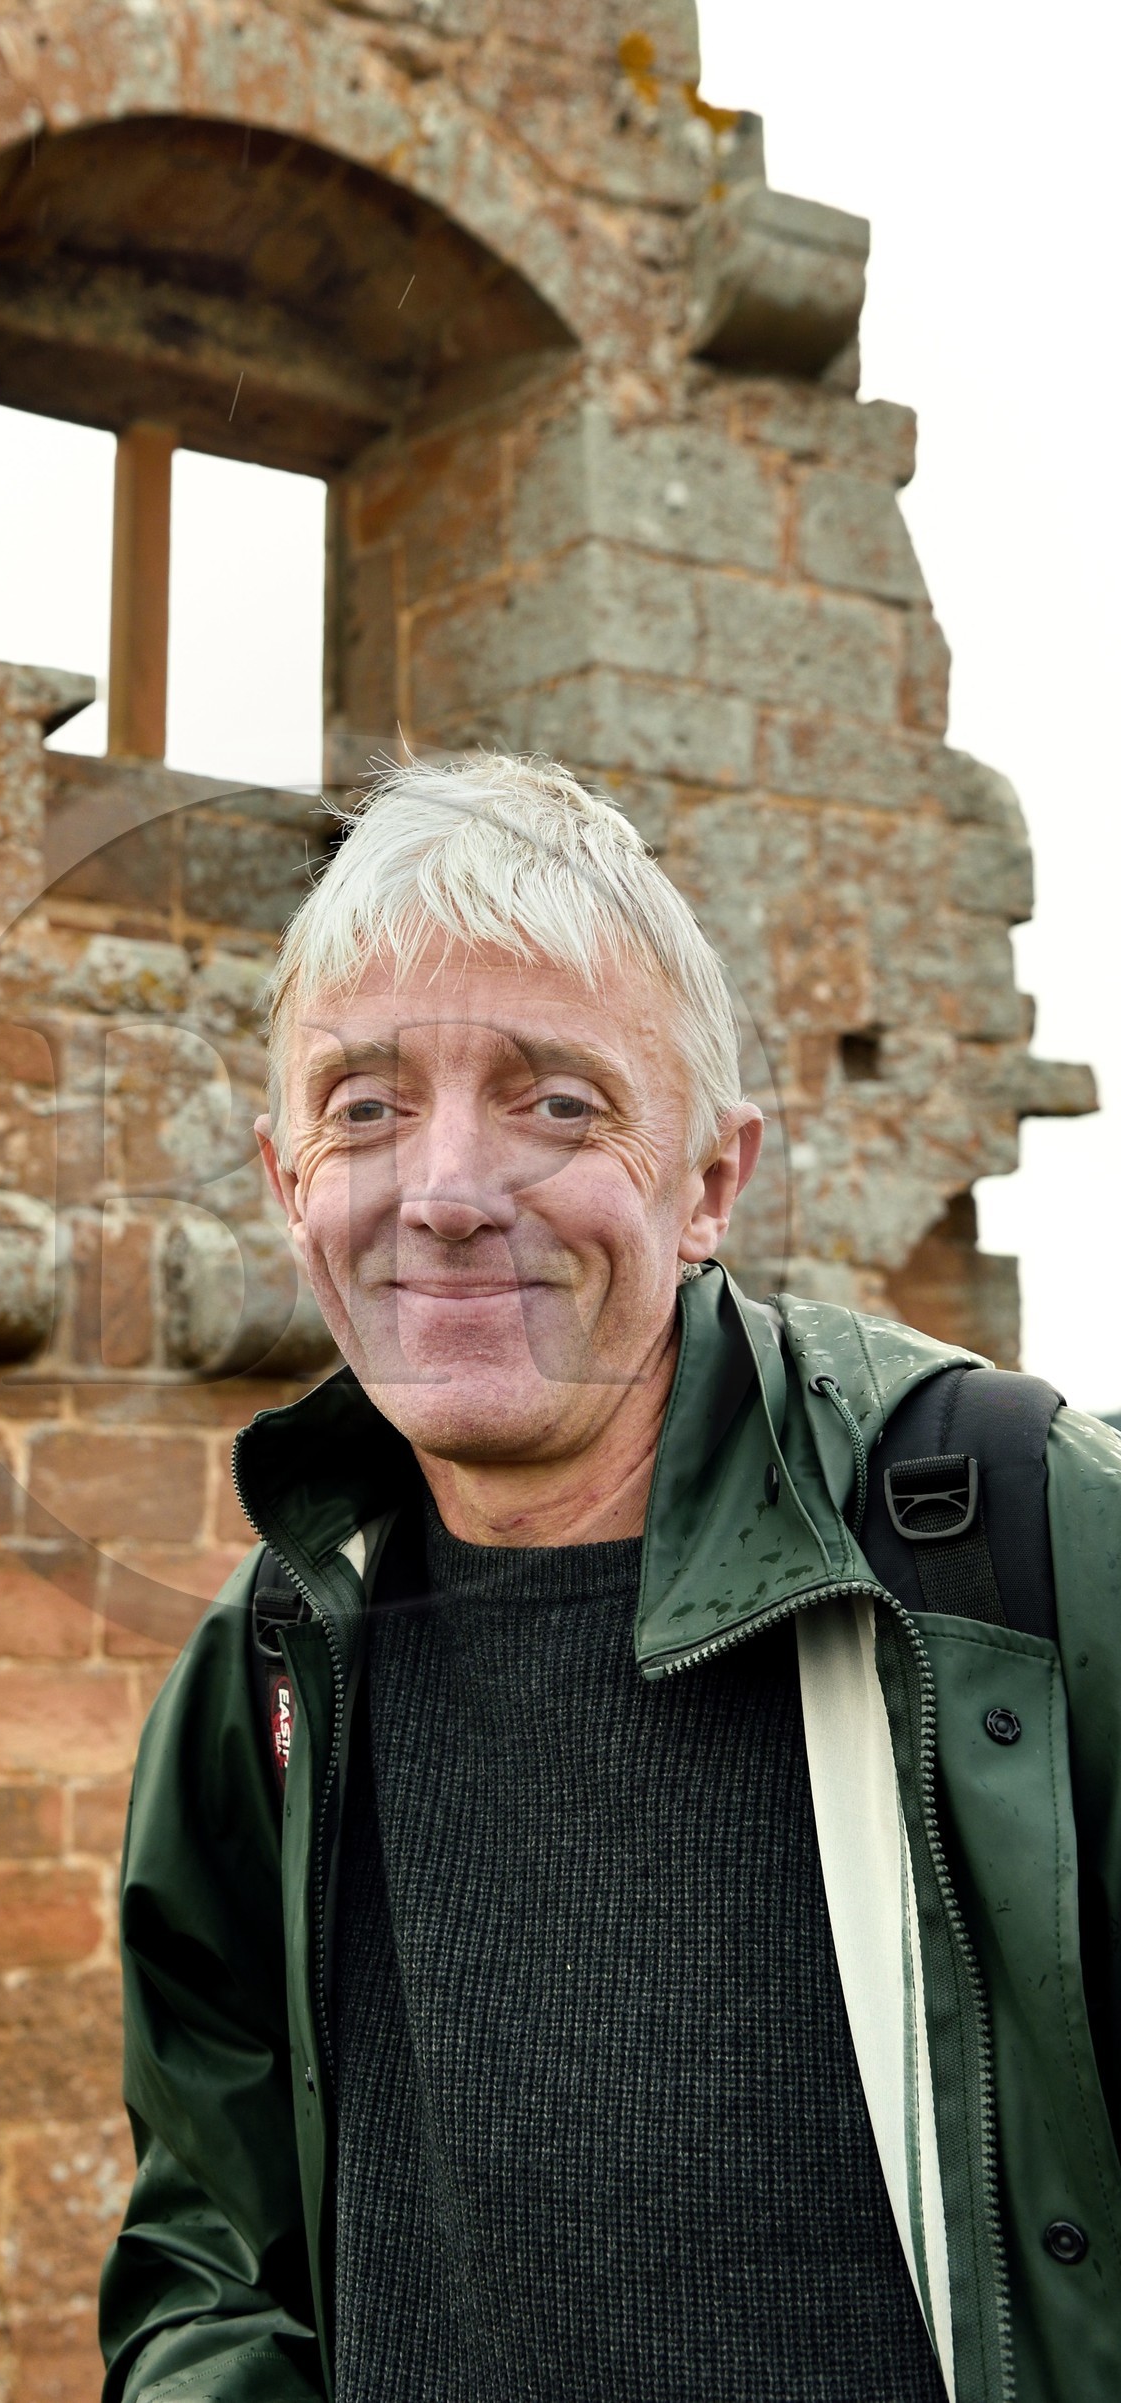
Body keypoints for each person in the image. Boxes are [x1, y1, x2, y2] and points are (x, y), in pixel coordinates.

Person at [97, 755, 1121, 2403]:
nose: (443, 1194)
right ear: (291, 1183)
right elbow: (211, 2258)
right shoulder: (266, 1665)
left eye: (556, 1101)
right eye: (363, 1107)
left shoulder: (1021, 1544)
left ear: (709, 1180)